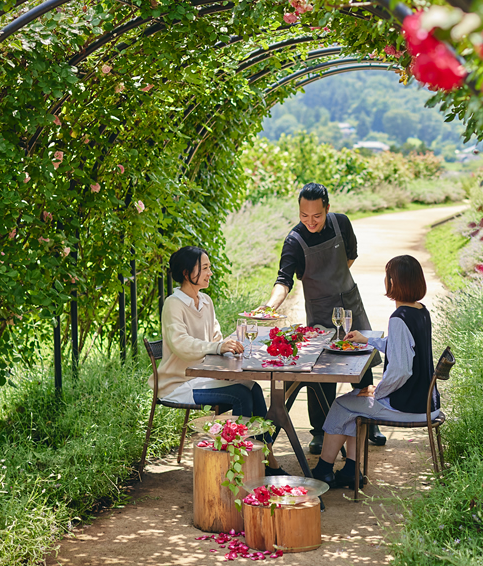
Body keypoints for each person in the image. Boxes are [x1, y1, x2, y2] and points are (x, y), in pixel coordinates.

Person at [260, 182, 385, 454]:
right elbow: (283, 281)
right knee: (321, 371)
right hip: (320, 311)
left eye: (316, 215)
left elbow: (349, 257)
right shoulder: (294, 240)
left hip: (350, 303)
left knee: (361, 363)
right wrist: (269, 306)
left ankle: (370, 420)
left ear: (327, 209)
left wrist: (336, 284)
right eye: (304, 216)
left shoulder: (341, 224)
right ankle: (320, 432)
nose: (310, 222)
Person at [152, 245, 287, 475]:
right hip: (177, 384)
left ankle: (266, 461)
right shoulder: (173, 304)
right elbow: (181, 345)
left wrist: (230, 348)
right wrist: (217, 346)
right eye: (204, 268)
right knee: (240, 394)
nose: (209, 273)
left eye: (209, 267)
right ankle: (244, 469)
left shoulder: (205, 301)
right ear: (186, 273)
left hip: (201, 379)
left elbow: (215, 340)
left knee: (252, 387)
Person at [311, 255, 441, 489]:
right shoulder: (421, 311)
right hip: (426, 400)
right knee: (354, 400)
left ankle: (323, 470)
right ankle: (351, 471)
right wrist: (369, 340)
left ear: (394, 282)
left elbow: (401, 369)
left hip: (409, 406)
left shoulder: (399, 318)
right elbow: (403, 346)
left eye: (387, 276)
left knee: (342, 405)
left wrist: (378, 391)